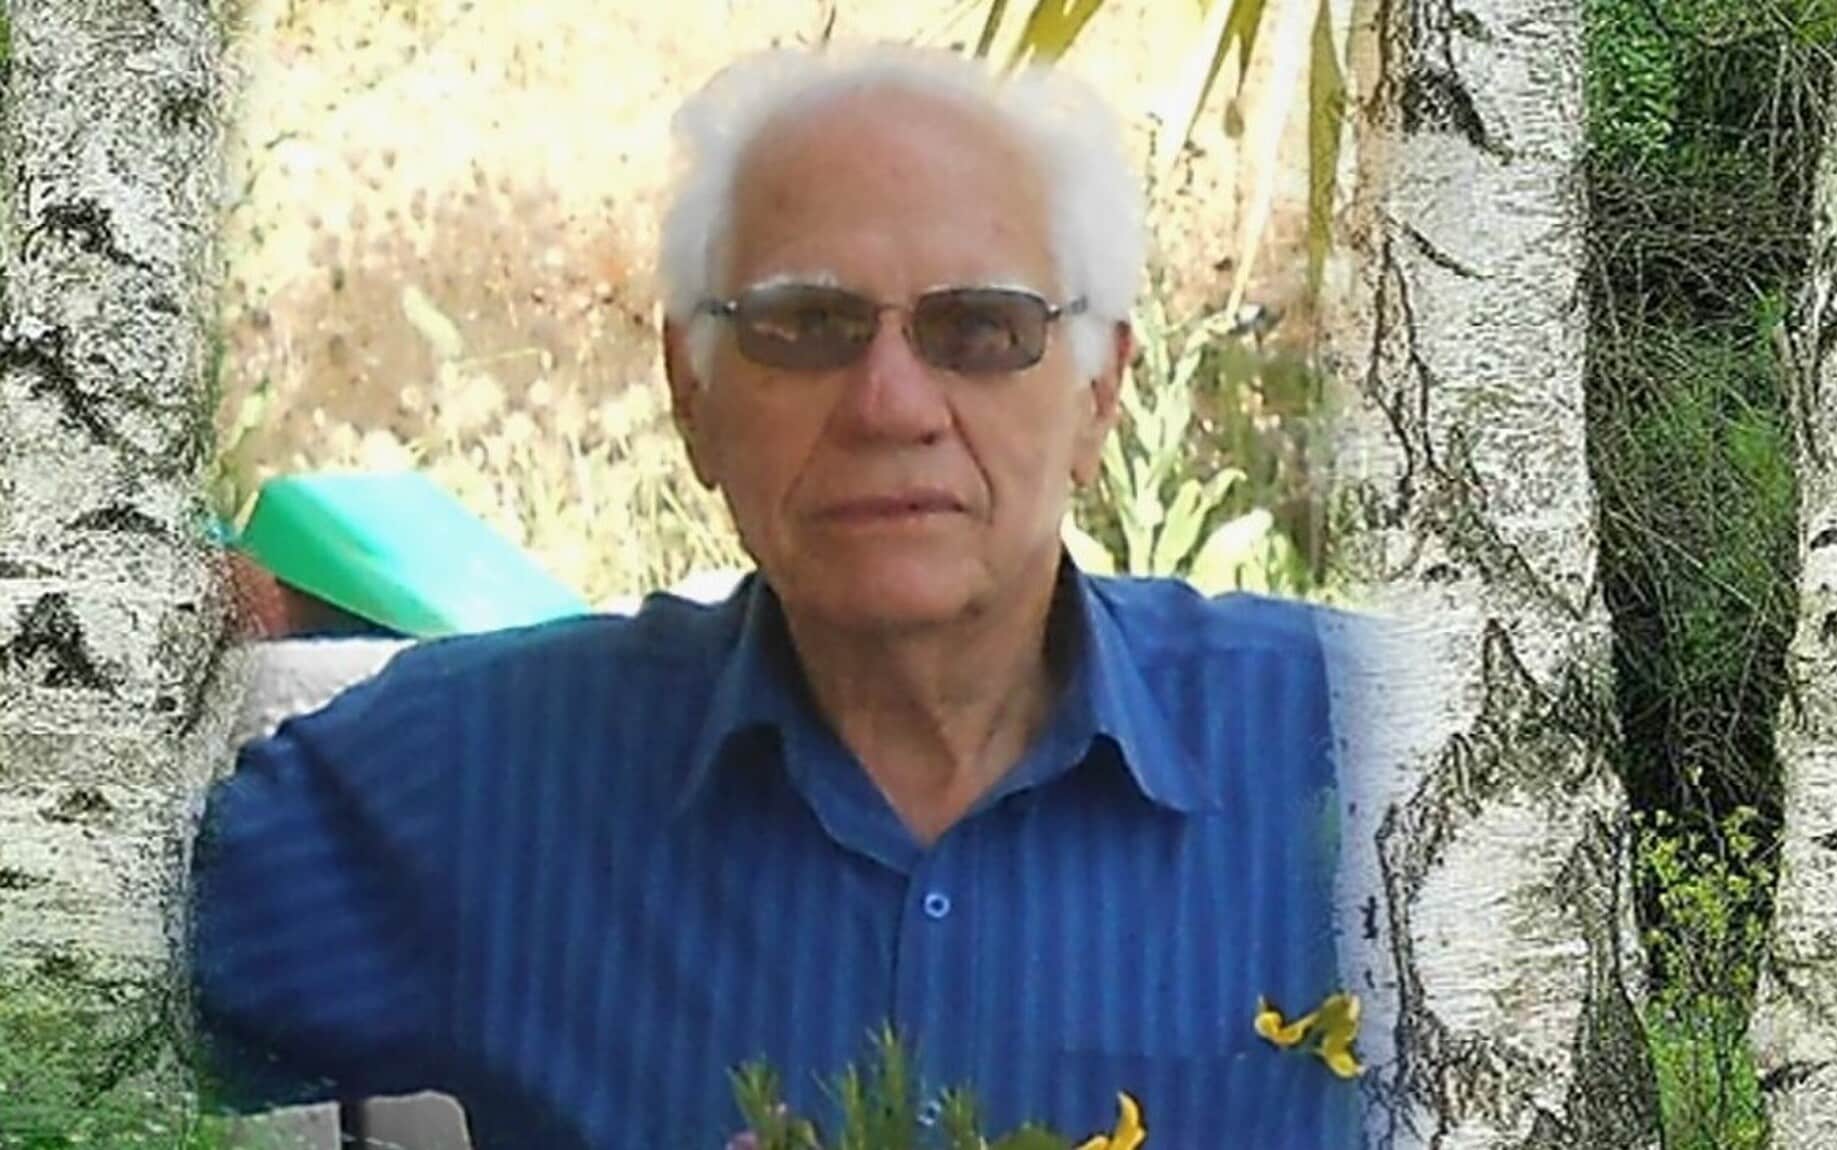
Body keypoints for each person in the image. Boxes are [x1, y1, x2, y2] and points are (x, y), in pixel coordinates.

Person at [192, 43, 1367, 1149]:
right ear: (690, 394)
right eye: (806, 325)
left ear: (1099, 396)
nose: (890, 405)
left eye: (980, 326)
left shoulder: (1359, 755)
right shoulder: (479, 781)